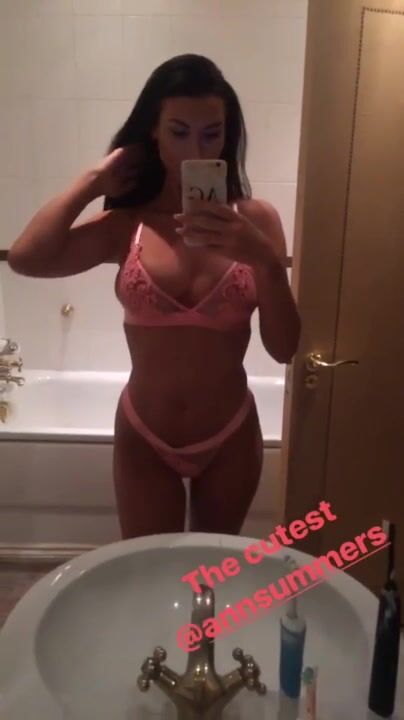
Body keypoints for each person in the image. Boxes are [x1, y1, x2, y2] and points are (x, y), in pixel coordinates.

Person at [8, 54, 301, 539]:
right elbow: (26, 258)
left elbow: (283, 348)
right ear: (154, 133)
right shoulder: (128, 225)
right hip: (145, 436)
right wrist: (92, 182)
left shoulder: (256, 222)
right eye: (179, 132)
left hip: (229, 434)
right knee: (148, 571)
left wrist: (266, 263)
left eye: (211, 133)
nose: (195, 149)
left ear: (227, 135)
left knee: (211, 571)